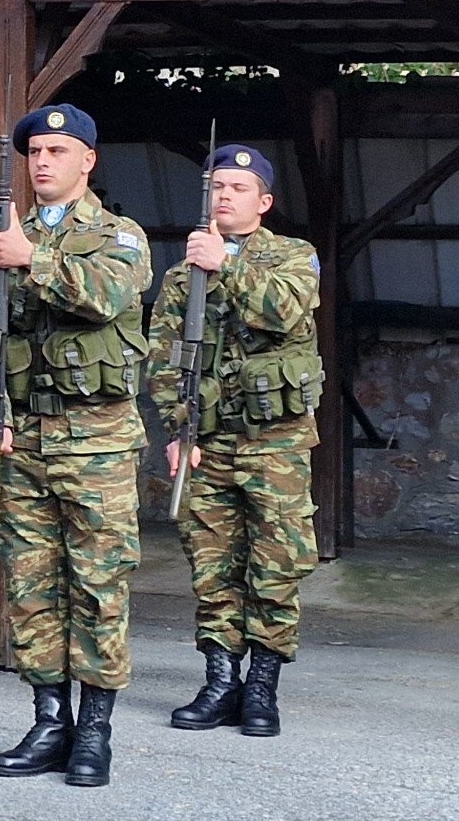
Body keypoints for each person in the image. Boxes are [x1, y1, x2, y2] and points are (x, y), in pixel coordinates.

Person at [0, 103, 150, 788]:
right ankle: (50, 718)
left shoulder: (120, 235)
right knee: (32, 589)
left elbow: (109, 295)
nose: (44, 160)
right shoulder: (4, 237)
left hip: (98, 443)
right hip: (26, 440)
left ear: (88, 160)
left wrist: (33, 258)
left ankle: (95, 729)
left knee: (99, 588)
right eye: (36, 151)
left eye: (59, 150)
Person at [145, 144, 322, 739]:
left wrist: (228, 266)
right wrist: (177, 428)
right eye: (216, 187)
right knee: (213, 566)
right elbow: (166, 358)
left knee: (275, 565)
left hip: (275, 444)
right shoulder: (181, 272)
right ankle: (220, 681)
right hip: (209, 443)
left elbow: (286, 310)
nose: (224, 196)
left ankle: (262, 688)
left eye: (238, 188)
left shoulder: (294, 257)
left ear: (264, 202)